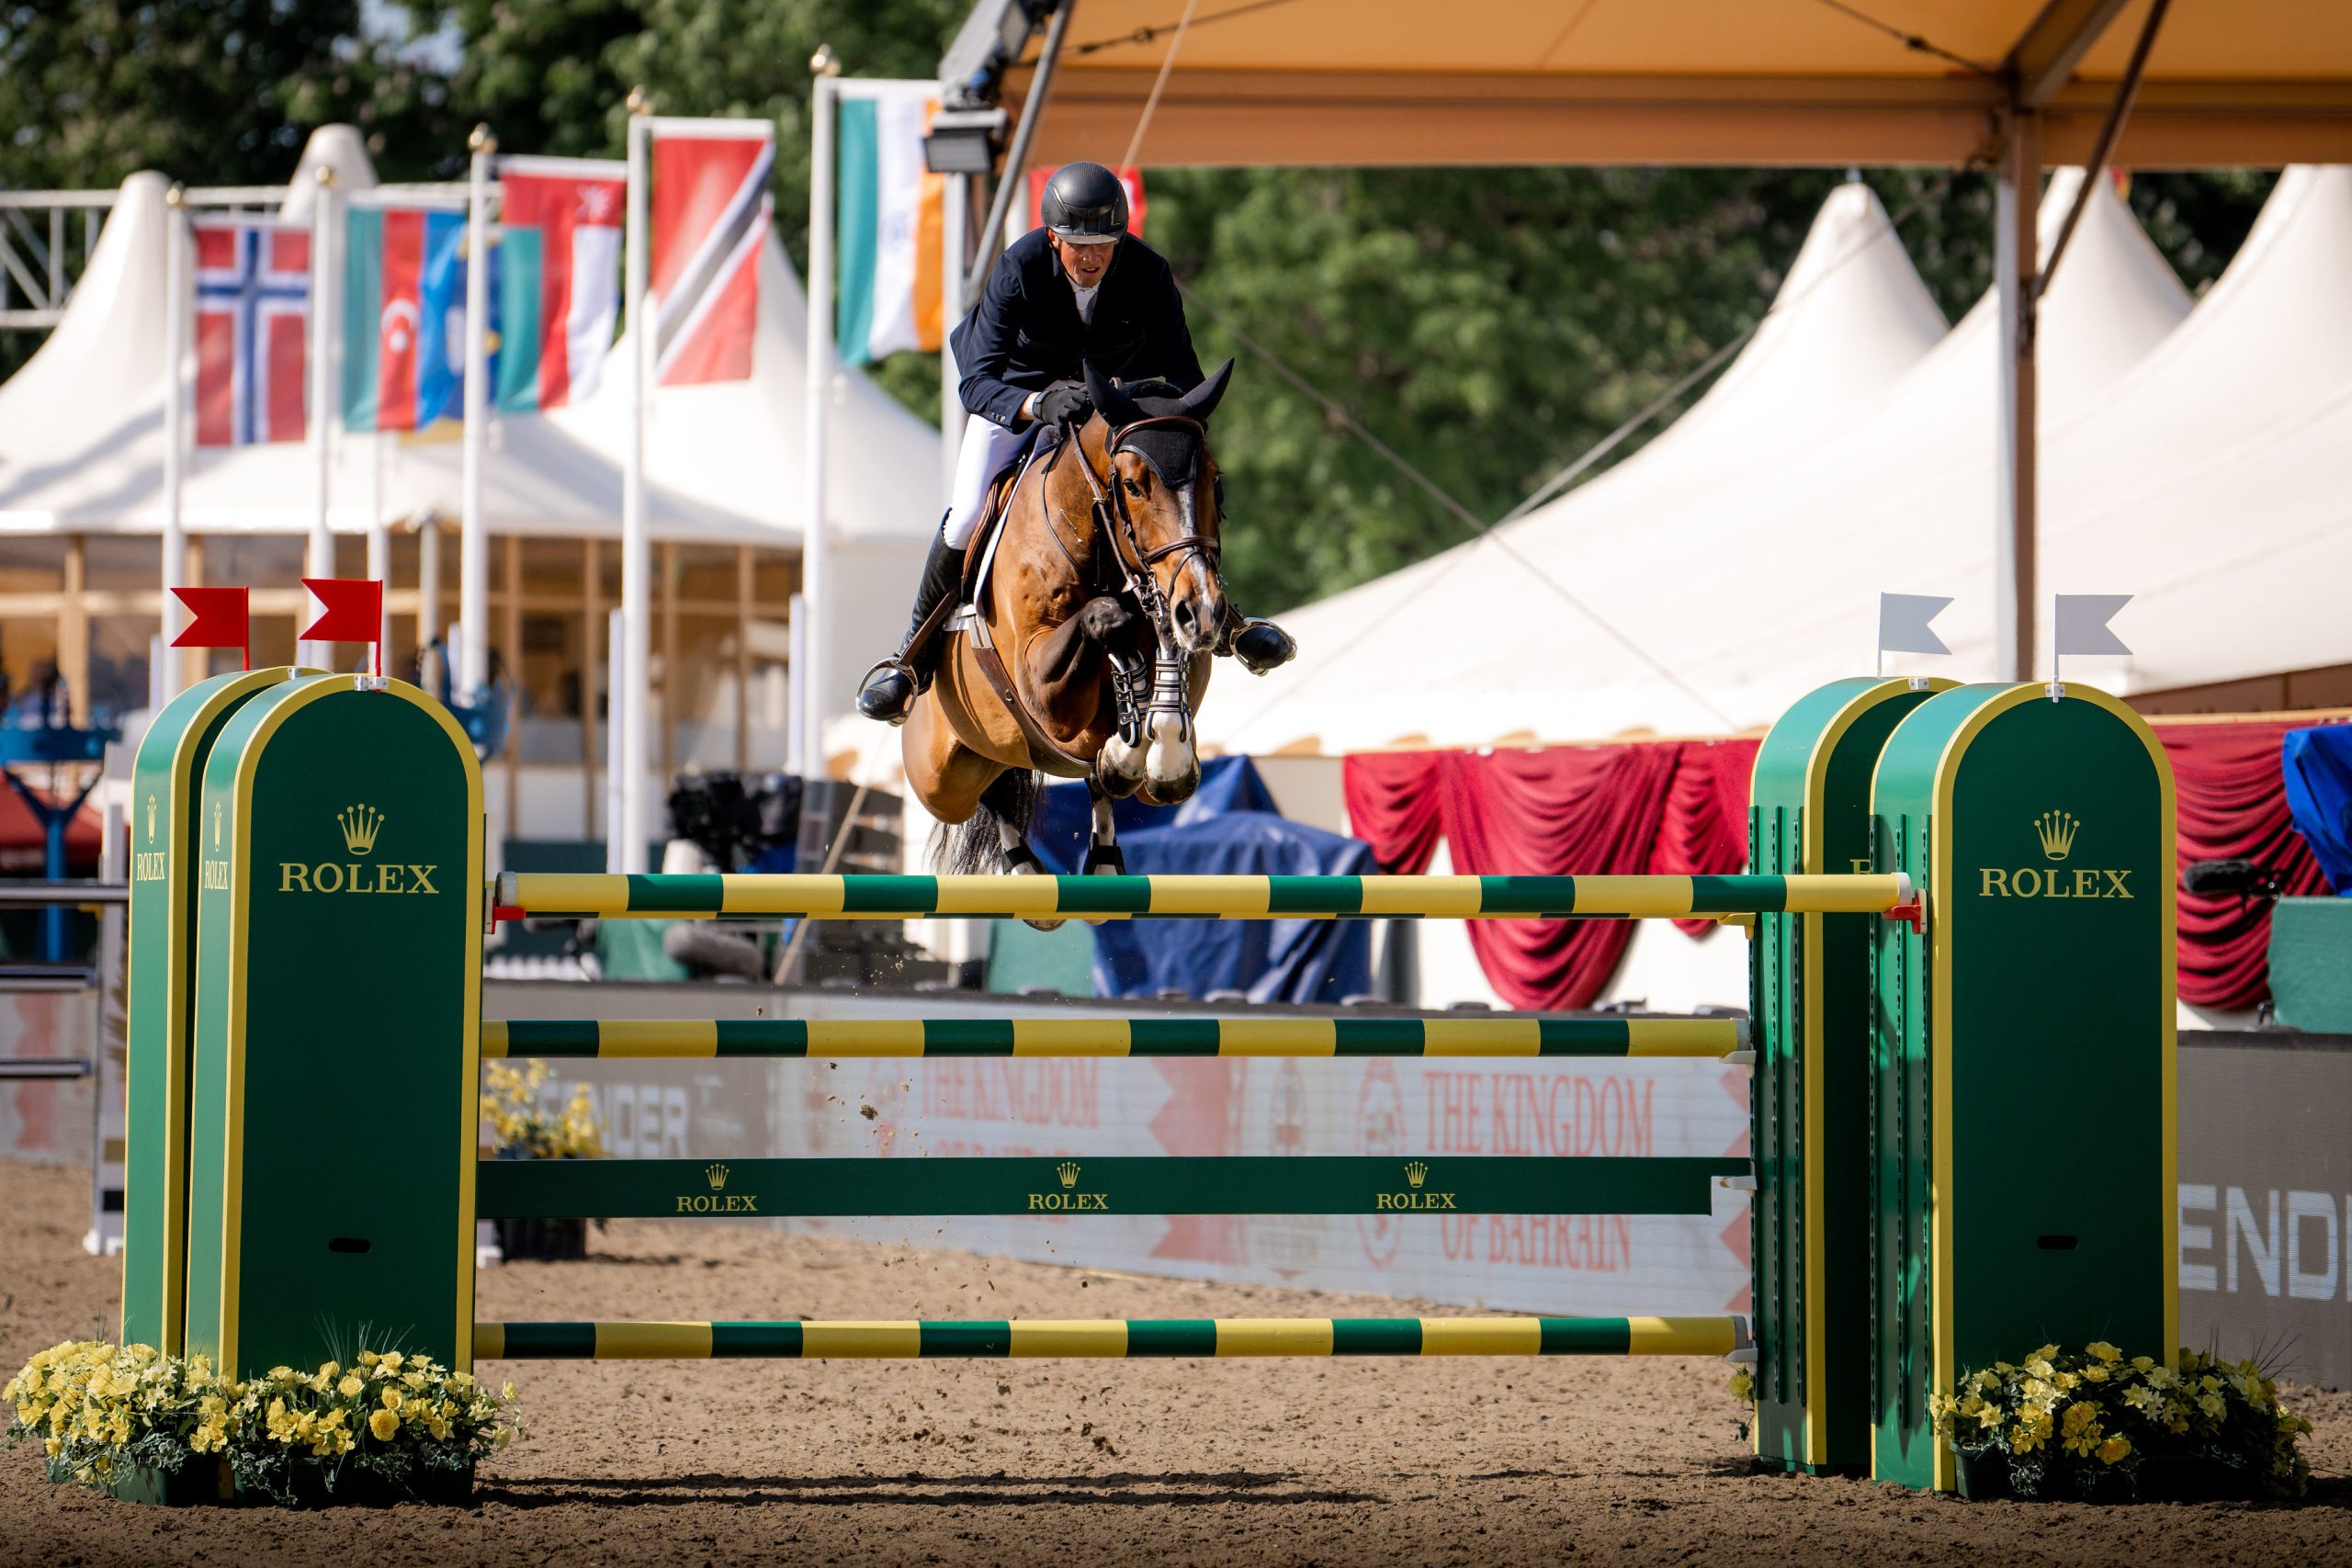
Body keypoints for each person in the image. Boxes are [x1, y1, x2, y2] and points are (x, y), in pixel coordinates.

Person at [856, 161, 1295, 725]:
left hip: (1108, 406)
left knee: (1172, 489)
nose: (1092, 259)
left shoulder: (1148, 272)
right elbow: (975, 381)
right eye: (1079, 246)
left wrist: (1167, 426)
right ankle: (911, 660)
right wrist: (1036, 404)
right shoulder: (1019, 267)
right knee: (966, 516)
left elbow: (1184, 374)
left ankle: (1225, 620)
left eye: (1104, 246)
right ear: (1053, 238)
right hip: (1016, 399)